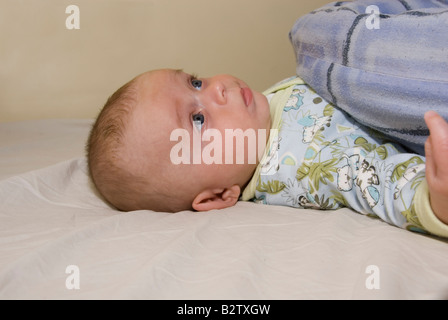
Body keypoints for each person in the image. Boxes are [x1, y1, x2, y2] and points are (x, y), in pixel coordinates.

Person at [87, 69, 448, 237]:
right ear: (217, 196)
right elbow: (379, 186)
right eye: (197, 120)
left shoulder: (261, 112)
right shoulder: (303, 167)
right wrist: (436, 200)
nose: (219, 91)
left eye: (195, 81)